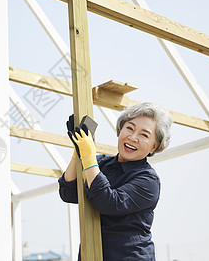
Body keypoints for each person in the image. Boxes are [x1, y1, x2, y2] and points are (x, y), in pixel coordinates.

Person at [59, 102, 173, 260]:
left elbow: (109, 203)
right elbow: (68, 193)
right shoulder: (100, 164)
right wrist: (77, 153)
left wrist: (88, 158)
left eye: (144, 135)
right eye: (130, 128)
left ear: (154, 146)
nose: (133, 138)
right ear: (120, 129)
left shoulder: (148, 180)